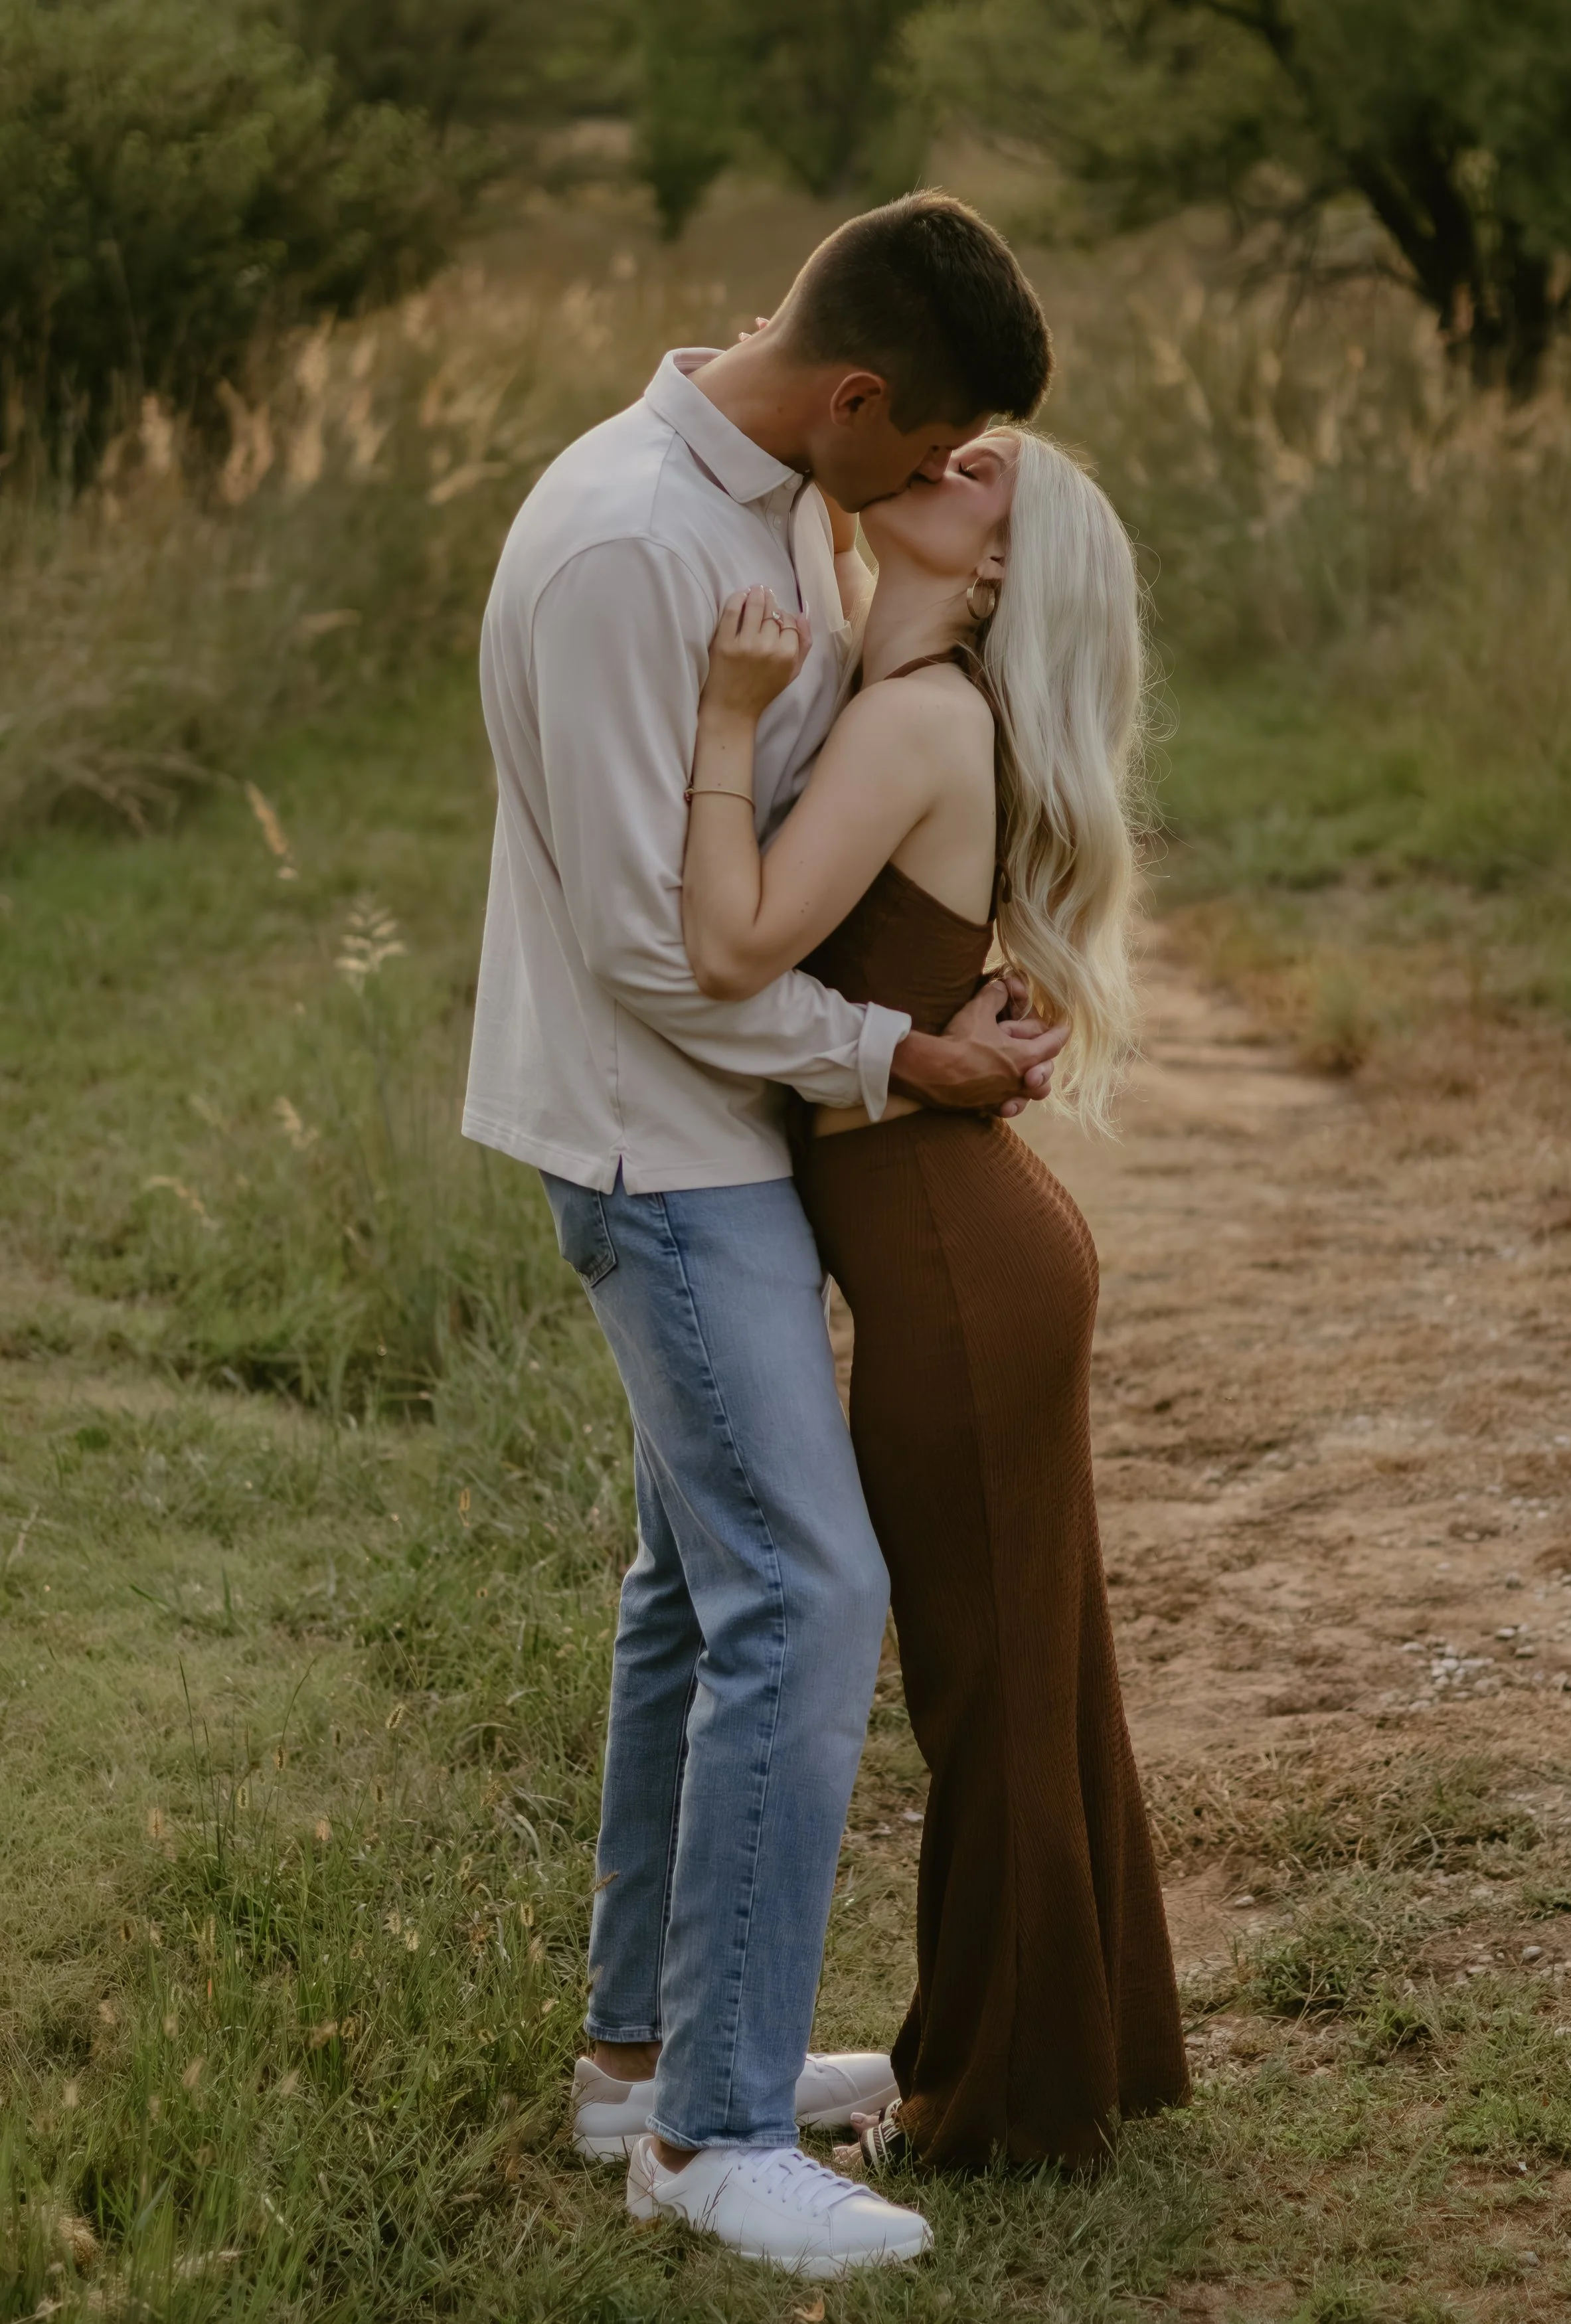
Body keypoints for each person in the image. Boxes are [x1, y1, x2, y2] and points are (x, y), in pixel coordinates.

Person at [462, 193, 1062, 2274]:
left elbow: (764, 825)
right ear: (856, 396)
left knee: (683, 1601)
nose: (920, 492)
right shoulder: (641, 541)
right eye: (916, 455)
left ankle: (646, 2058)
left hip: (709, 1128)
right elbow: (656, 944)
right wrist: (899, 1058)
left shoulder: (750, 494)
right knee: (804, 1595)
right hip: (663, 1148)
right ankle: (713, 2134)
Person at [679, 426, 1192, 2173]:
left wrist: (726, 722)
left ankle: (1003, 2105)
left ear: (994, 569)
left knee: (985, 1683)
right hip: (971, 1239)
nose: (947, 456)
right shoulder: (891, 691)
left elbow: (739, 946)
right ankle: (1080, 2050)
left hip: (959, 1264)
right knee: (1027, 1669)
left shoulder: (911, 720)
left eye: (987, 475)